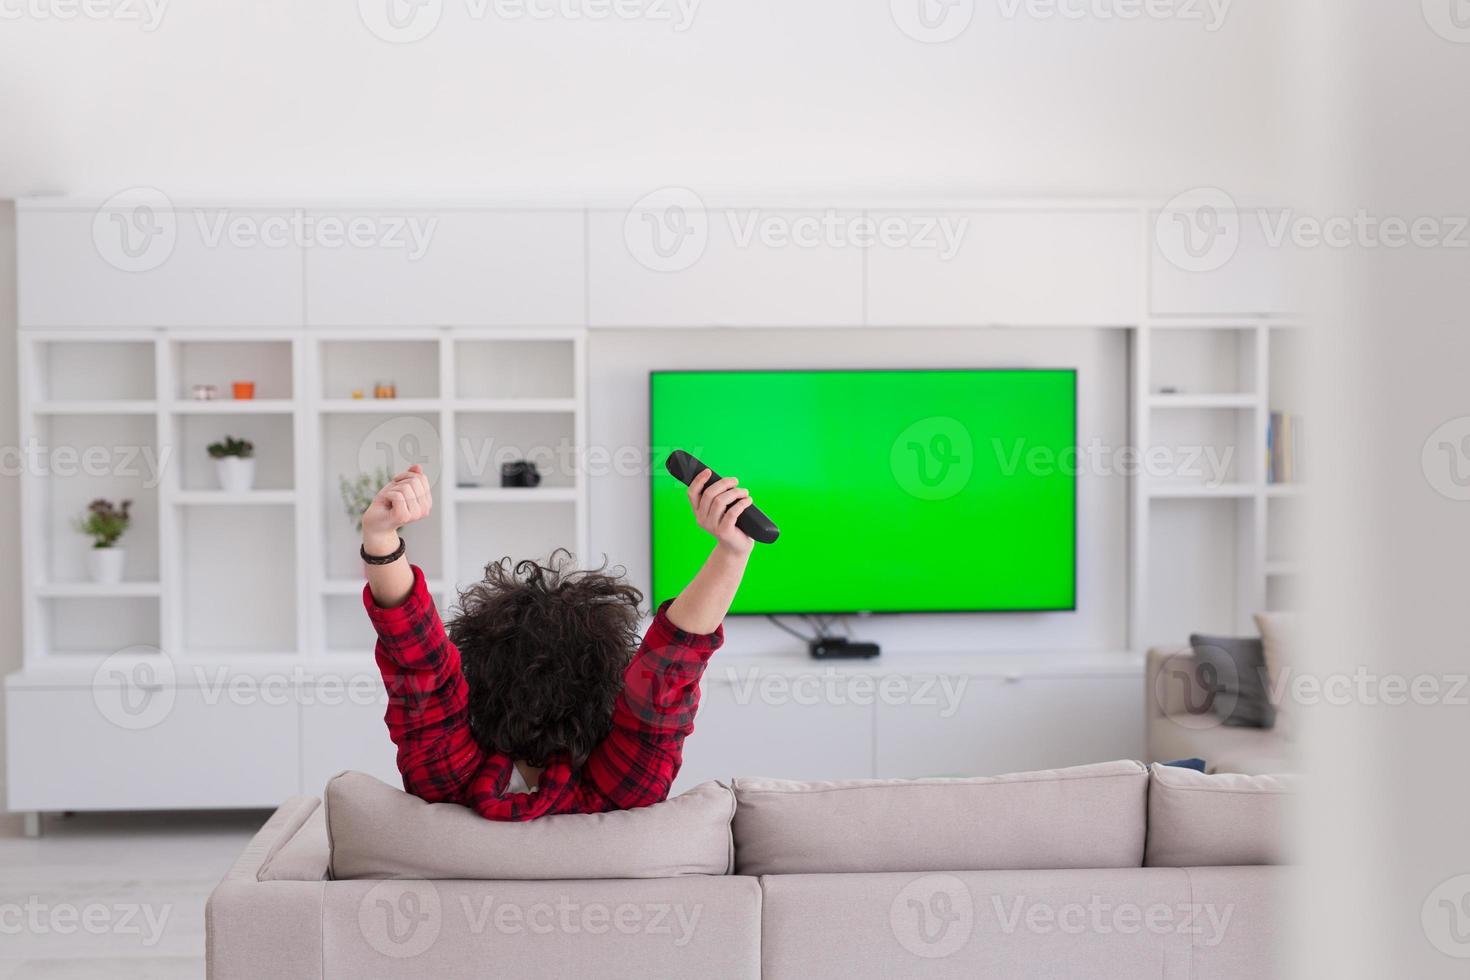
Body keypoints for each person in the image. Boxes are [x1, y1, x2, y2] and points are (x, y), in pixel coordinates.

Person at [359, 463, 753, 820]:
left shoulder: (446, 785)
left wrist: (381, 539)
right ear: (608, 688)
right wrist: (732, 553)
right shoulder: (621, 797)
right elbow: (664, 681)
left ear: (477, 677)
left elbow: (421, 666)